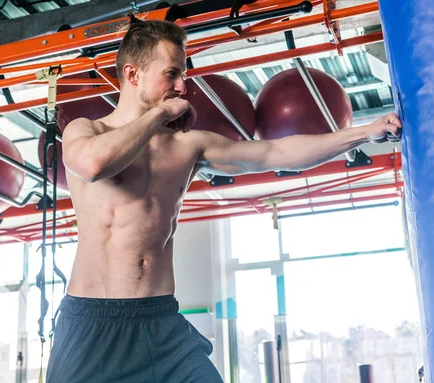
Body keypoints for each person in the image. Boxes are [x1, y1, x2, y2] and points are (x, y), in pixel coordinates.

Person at [46, 17, 402, 383]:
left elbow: (274, 152)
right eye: (171, 74)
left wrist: (363, 133)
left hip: (161, 323)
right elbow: (93, 164)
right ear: (132, 74)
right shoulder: (88, 131)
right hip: (94, 325)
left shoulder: (188, 146)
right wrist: (161, 114)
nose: (182, 86)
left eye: (182, 74)